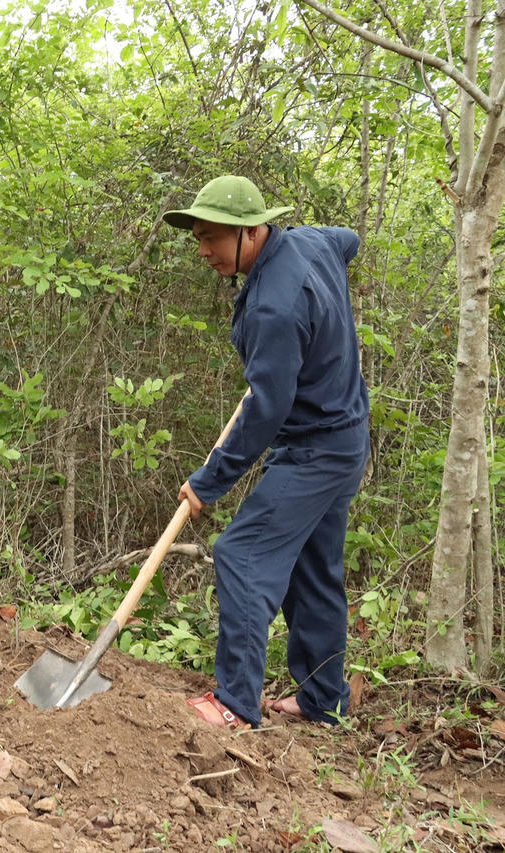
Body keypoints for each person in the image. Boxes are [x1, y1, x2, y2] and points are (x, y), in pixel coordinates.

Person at [161, 175, 370, 728]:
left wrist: (209, 481)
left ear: (252, 232)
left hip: (316, 450)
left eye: (213, 237)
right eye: (199, 238)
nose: (204, 250)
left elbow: (266, 410)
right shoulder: (313, 242)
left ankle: (233, 702)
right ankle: (323, 699)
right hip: (346, 439)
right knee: (313, 570)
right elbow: (348, 240)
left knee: (242, 554)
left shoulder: (272, 309)